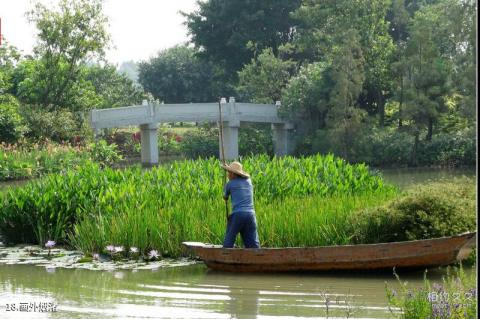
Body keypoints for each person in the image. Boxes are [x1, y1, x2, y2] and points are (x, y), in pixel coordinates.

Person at [221, 161, 260, 248]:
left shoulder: (229, 184)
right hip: (251, 215)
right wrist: (228, 168)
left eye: (229, 172)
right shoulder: (248, 182)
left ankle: (226, 255)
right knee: (253, 243)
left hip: (238, 214)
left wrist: (225, 193)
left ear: (233, 174)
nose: (227, 175)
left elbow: (225, 197)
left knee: (229, 238)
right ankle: (257, 256)